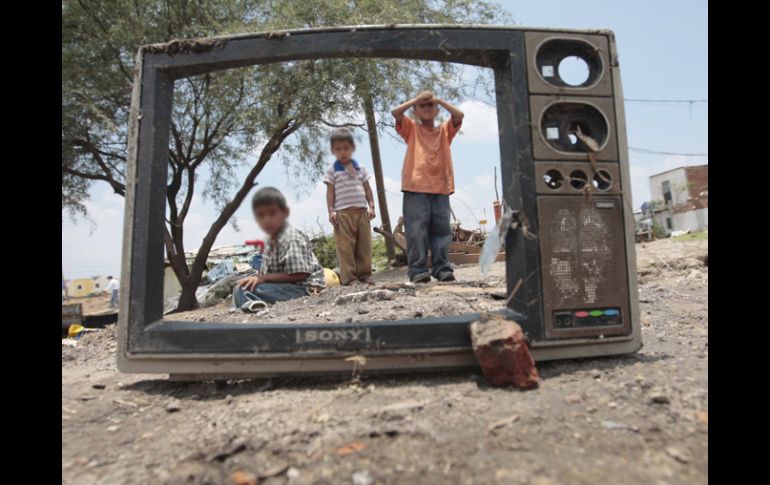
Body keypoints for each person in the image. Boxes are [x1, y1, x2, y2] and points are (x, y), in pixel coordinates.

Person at [391, 90, 464, 283]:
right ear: (414, 111)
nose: (427, 108)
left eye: (431, 105)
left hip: (440, 187)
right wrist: (416, 99)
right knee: (416, 231)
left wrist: (438, 99)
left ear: (437, 109)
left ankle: (441, 269)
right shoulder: (412, 129)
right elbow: (396, 113)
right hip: (415, 187)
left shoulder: (445, 130)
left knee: (441, 231)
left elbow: (459, 115)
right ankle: (417, 270)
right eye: (422, 106)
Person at [234, 187, 325, 311]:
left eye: (272, 213)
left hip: (304, 288)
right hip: (287, 287)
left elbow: (301, 275)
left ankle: (254, 307)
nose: (267, 220)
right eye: (261, 215)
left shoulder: (291, 238)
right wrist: (260, 277)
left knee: (243, 290)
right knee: (243, 286)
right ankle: (250, 306)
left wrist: (264, 278)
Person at [323, 128, 376, 285]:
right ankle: (350, 278)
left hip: (362, 213)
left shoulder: (361, 168)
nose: (343, 152)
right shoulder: (332, 171)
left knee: (364, 247)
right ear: (333, 151)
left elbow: (367, 188)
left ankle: (365, 274)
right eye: (338, 149)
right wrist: (331, 211)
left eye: (346, 148)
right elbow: (330, 192)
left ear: (352, 148)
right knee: (345, 248)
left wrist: (372, 207)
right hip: (343, 215)